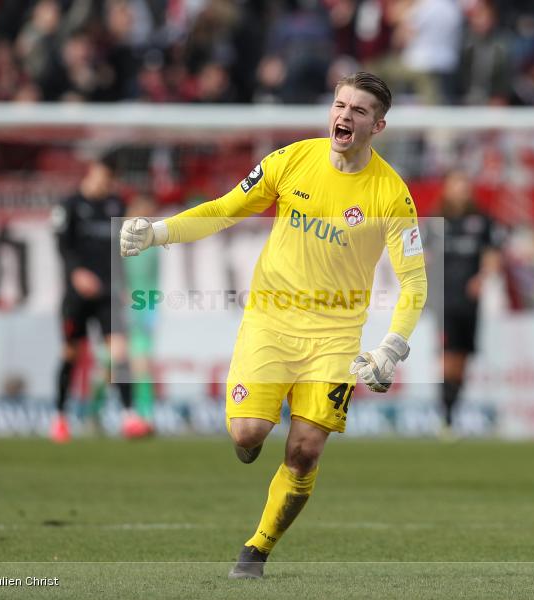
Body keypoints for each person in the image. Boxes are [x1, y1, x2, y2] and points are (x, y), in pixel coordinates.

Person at [120, 72, 427, 578]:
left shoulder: (392, 195)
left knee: (305, 451)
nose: (344, 115)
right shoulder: (291, 160)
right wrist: (158, 232)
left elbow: (414, 281)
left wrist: (391, 345)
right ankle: (251, 439)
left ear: (379, 125)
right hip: (270, 320)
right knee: (246, 433)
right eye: (339, 104)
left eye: (359, 110)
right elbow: (225, 209)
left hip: (334, 335)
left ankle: (257, 549)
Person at [50, 155, 151, 442]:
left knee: (120, 353)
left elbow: (121, 249)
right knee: (71, 353)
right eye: (101, 178)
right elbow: (62, 247)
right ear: (91, 173)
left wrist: (125, 284)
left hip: (108, 294)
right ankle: (60, 418)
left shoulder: (115, 205)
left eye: (108, 180)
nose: (104, 184)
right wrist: (77, 274)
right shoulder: (68, 206)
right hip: (76, 296)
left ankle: (129, 417)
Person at [437, 170, 503, 436]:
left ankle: (452, 414)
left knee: (463, 360)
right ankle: (446, 417)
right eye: (456, 185)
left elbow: (492, 255)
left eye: (465, 185)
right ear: (447, 189)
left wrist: (482, 277)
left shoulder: (483, 221)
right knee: (448, 358)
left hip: (470, 301)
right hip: (445, 299)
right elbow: (420, 254)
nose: (462, 190)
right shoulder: (436, 220)